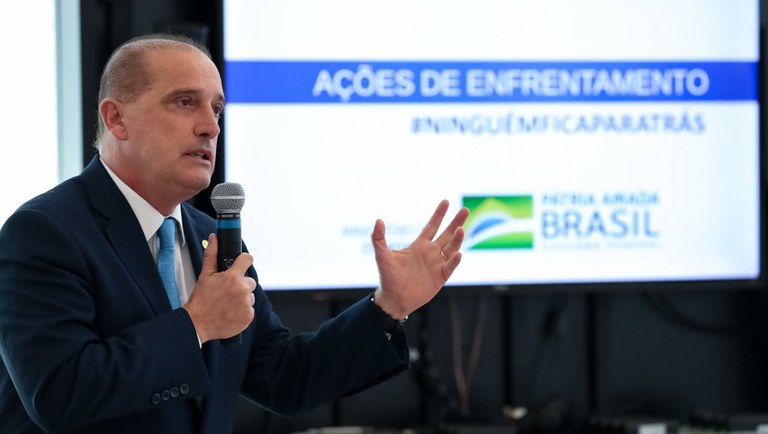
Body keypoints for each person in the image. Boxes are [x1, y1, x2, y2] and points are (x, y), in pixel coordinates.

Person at [0, 33, 468, 434]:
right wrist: (196, 324)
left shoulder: (214, 238)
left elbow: (285, 377)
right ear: (116, 118)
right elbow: (58, 393)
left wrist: (389, 307)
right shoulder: (44, 232)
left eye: (217, 109)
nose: (210, 127)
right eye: (185, 102)